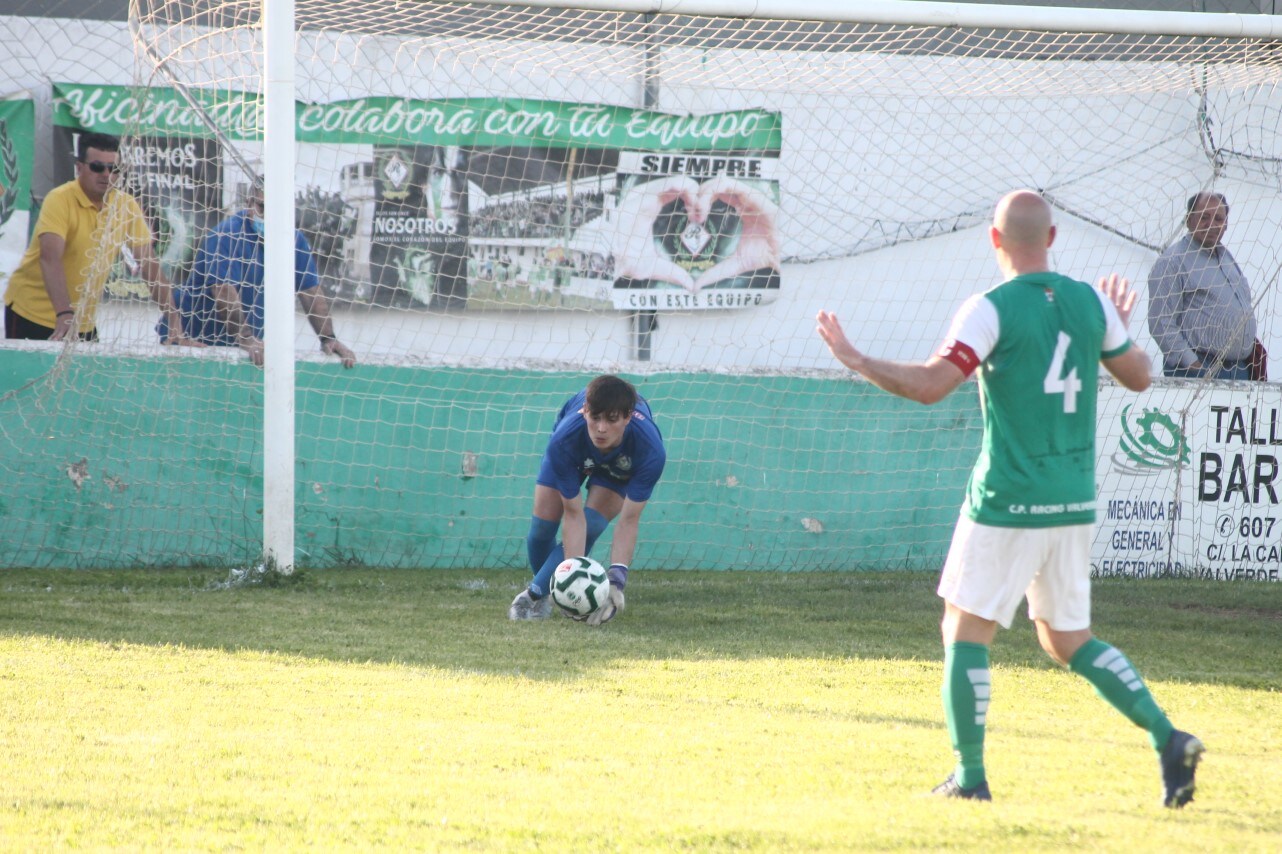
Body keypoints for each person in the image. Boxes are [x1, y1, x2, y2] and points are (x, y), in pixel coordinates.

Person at [816, 190, 1204, 807]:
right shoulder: (1089, 301)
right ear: (1051, 239)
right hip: (1072, 501)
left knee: (964, 632)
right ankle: (1168, 736)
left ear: (995, 241)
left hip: (1007, 498)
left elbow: (931, 386)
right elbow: (1139, 376)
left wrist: (856, 358)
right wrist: (1119, 331)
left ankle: (970, 779)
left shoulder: (989, 308)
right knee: (1065, 639)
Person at [4, 132, 192, 344]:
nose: (106, 174)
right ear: (79, 167)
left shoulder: (126, 205)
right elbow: (50, 257)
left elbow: (150, 265)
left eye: (114, 169)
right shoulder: (59, 199)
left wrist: (174, 325)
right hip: (31, 313)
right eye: (97, 167)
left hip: (83, 320)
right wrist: (64, 314)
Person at [509, 374, 666, 625]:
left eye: (612, 420)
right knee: (541, 530)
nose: (602, 428)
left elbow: (629, 520)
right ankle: (554, 593)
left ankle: (530, 597)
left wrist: (616, 581)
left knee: (592, 524)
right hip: (573, 454)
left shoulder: (650, 451)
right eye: (595, 418)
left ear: (627, 417)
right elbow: (572, 515)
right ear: (584, 412)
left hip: (619, 467)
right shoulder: (564, 440)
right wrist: (572, 585)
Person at [158, 183, 357, 368]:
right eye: (263, 207)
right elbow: (223, 291)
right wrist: (246, 337)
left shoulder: (293, 239)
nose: (269, 216)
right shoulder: (226, 235)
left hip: (241, 344)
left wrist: (328, 338)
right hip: (189, 338)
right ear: (249, 203)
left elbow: (310, 291)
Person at [1147, 191, 1262, 379]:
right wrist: (1192, 363)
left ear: (1225, 225)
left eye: (1218, 219)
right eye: (1204, 217)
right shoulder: (1172, 261)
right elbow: (1160, 322)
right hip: (1200, 369)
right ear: (1188, 220)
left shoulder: (1226, 258)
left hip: (1239, 369)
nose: (1211, 224)